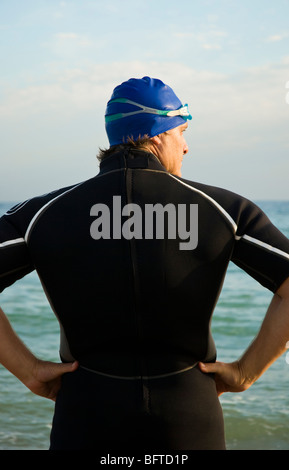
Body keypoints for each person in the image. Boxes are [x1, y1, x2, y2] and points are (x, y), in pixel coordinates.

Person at [1, 76, 289, 450]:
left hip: (86, 412)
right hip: (188, 413)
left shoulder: (45, 213)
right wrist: (244, 373)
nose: (186, 147)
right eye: (181, 132)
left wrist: (29, 371)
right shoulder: (224, 211)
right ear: (156, 134)